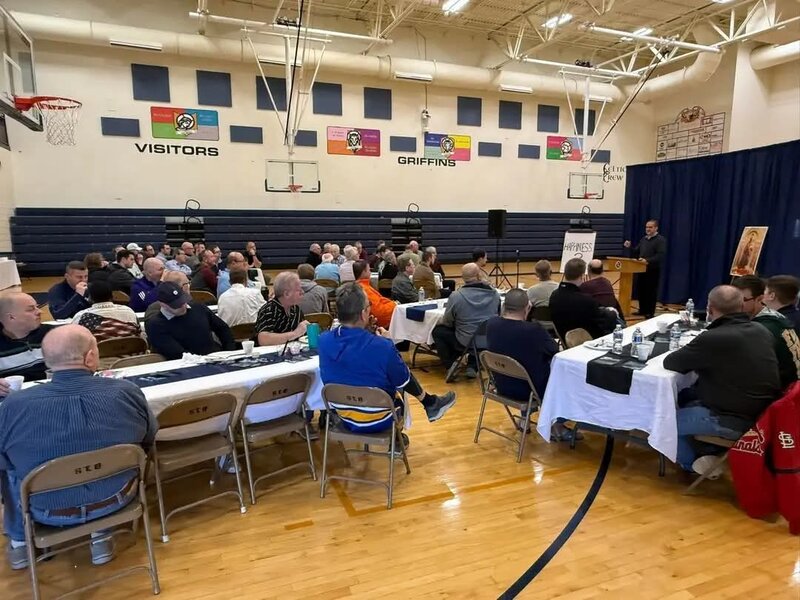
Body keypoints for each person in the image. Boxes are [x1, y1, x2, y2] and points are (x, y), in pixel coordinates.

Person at [0, 325, 158, 570]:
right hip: (118, 494)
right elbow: (149, 436)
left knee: (12, 470)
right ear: (91, 357)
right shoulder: (126, 391)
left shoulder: (13, 405)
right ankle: (101, 534)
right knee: (115, 458)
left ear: (47, 360)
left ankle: (20, 542)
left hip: (45, 508)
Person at [664, 285, 781, 475]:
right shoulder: (761, 330)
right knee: (685, 397)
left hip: (732, 419)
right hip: (760, 414)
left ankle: (694, 465)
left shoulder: (715, 338)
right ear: (742, 306)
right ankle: (707, 450)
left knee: (661, 422)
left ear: (710, 309)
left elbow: (672, 362)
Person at [318, 283, 457, 433]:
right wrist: (387, 341)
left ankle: (430, 403)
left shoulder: (323, 340)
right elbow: (402, 379)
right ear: (364, 313)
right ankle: (402, 431)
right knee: (398, 380)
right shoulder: (382, 345)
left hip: (342, 414)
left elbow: (352, 356)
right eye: (369, 305)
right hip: (379, 418)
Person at [485, 289, 574, 439]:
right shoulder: (533, 331)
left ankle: (525, 419)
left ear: (504, 306)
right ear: (527, 307)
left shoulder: (491, 324)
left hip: (501, 384)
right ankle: (557, 425)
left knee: (526, 366)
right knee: (565, 375)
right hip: (530, 390)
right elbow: (554, 350)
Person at [733, 275, 800, 388]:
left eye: (742, 300)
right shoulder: (778, 318)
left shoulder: (764, 327)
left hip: (781, 392)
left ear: (759, 299)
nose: (735, 304)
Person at [432, 263, 500, 373]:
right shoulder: (495, 294)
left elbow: (448, 322)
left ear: (463, 278)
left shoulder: (456, 296)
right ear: (479, 275)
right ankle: (472, 365)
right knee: (474, 332)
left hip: (465, 341)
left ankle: (450, 365)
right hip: (488, 339)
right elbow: (498, 315)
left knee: (438, 331)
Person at [145, 282, 235, 359]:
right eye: (177, 305)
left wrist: (229, 352)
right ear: (163, 305)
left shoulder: (199, 308)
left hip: (215, 356)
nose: (183, 306)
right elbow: (178, 354)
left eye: (183, 301)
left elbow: (223, 328)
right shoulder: (155, 325)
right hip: (185, 366)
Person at [549, 258, 617, 340]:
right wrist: (611, 312)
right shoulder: (586, 300)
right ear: (582, 276)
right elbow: (600, 323)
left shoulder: (553, 296)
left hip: (564, 337)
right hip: (587, 341)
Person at [0, 293, 54, 382]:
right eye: (31, 309)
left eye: (37, 307)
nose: (40, 311)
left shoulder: (51, 334)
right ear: (11, 317)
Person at [624, 219, 667, 319]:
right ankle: (642, 310)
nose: (648, 229)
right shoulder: (644, 239)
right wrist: (629, 247)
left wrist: (647, 260)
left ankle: (649, 312)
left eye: (650, 227)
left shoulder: (660, 240)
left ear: (656, 228)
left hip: (652, 270)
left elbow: (660, 256)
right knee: (641, 290)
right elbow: (637, 252)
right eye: (647, 227)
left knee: (650, 292)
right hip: (641, 269)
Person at [73, 281, 141, 340]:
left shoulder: (81, 317)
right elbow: (139, 335)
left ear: (90, 298)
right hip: (132, 354)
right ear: (112, 296)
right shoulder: (129, 312)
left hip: (99, 354)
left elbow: (76, 341)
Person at [255, 272, 309, 346]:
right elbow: (263, 339)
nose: (302, 292)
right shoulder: (269, 310)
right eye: (298, 290)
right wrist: (295, 333)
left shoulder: (295, 309)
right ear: (286, 294)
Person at [355, 260, 397, 329]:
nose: (370, 272)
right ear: (364, 272)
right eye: (368, 270)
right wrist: (394, 306)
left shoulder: (361, 286)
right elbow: (379, 313)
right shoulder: (364, 289)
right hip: (381, 319)